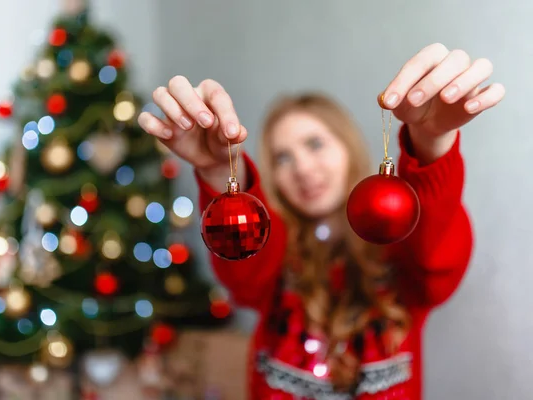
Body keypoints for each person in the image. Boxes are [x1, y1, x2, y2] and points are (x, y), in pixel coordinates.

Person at [138, 43, 505, 400]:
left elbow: (437, 248)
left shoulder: (401, 249)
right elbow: (243, 273)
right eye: (283, 158)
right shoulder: (274, 249)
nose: (302, 168)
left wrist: (431, 142)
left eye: (314, 144)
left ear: (347, 145)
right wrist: (219, 171)